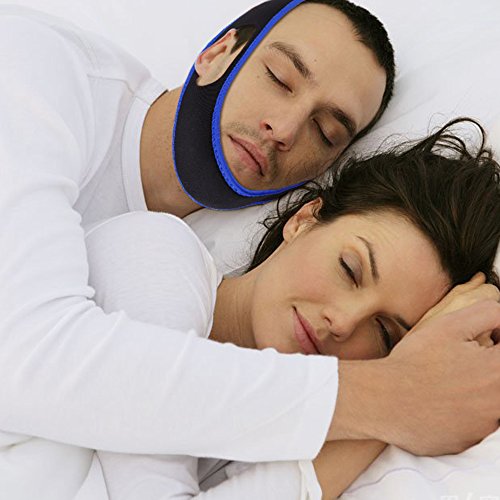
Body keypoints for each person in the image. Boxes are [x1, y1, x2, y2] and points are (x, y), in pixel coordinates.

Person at [0, 0, 499, 498]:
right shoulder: (36, 72)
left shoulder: (257, 422)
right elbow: (28, 355)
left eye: (325, 132)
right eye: (280, 78)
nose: (284, 129)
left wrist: (394, 405)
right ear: (218, 52)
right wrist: (396, 396)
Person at [80, 118, 499, 499]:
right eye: (349, 269)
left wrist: (400, 406)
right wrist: (403, 399)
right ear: (304, 219)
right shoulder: (157, 253)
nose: (343, 322)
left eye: (385, 332)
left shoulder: (269, 449)